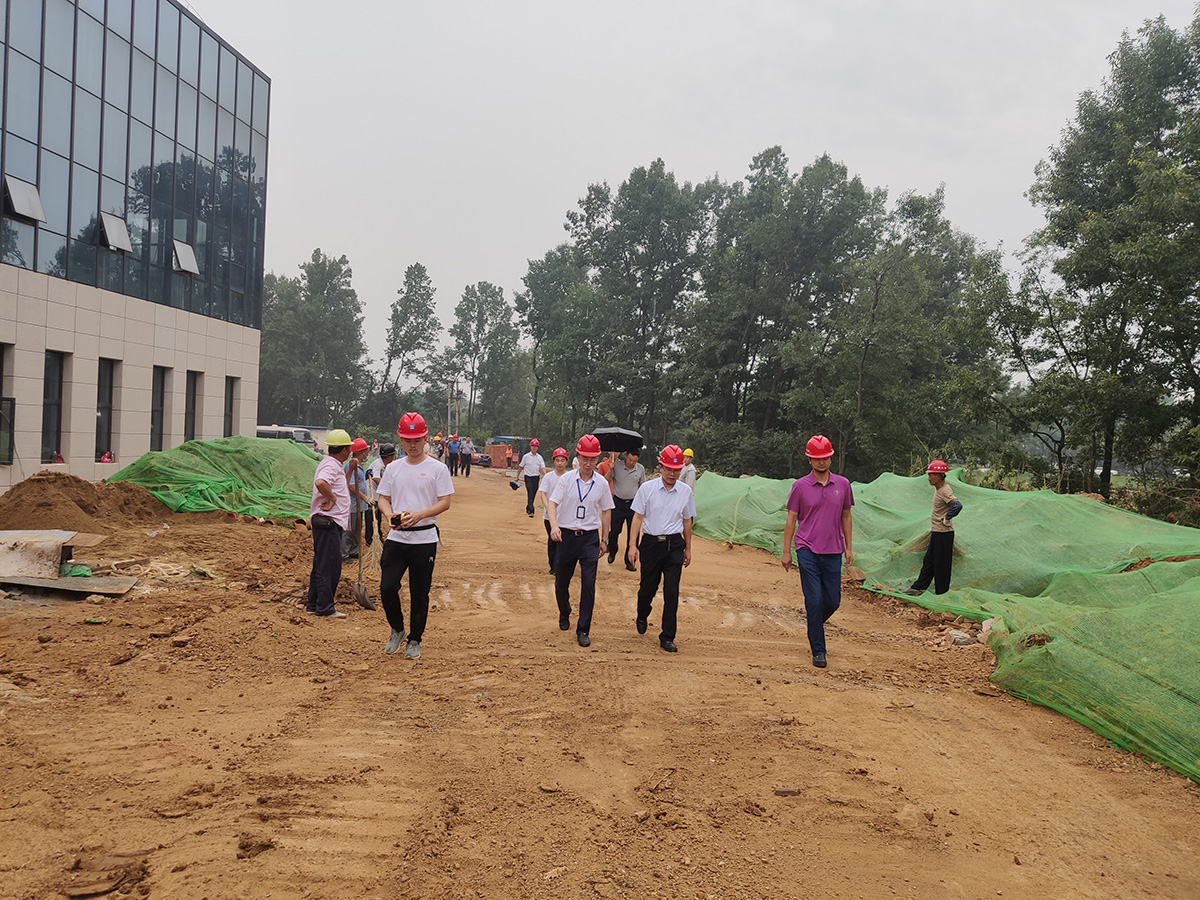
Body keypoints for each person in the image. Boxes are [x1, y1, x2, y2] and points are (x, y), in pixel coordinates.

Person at [375, 413, 454, 660]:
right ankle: (397, 629)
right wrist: (388, 514)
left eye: (417, 440)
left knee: (420, 592)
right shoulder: (393, 468)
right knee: (387, 587)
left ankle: (415, 639)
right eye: (408, 440)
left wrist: (420, 515)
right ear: (400, 439)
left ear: (425, 439)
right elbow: (382, 498)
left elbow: (445, 502)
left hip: (424, 539)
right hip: (397, 538)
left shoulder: (437, 469)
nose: (413, 445)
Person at [781, 434, 854, 668]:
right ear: (809, 460)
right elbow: (791, 518)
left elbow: (846, 516)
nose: (821, 462)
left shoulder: (843, 485)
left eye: (825, 458)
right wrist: (787, 551)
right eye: (817, 458)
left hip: (833, 550)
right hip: (807, 549)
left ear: (831, 458)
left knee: (832, 601)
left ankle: (814, 624)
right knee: (814, 599)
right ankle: (819, 650)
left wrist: (849, 547)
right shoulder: (800, 487)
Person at [627, 445, 695, 653]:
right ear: (661, 468)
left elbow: (687, 521)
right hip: (651, 545)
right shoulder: (647, 489)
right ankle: (642, 613)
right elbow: (637, 517)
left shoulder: (685, 492)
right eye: (668, 469)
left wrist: (688, 548)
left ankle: (667, 636)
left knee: (671, 591)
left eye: (676, 470)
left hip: (674, 545)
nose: (672, 474)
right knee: (647, 588)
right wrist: (632, 546)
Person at [547, 434, 614, 647]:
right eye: (584, 458)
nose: (588, 463)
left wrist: (605, 539)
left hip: (589, 539)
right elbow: (552, 504)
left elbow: (607, 511)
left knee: (588, 584)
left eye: (592, 459)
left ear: (598, 459)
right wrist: (554, 526)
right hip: (567, 537)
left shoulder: (601, 483)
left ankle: (583, 629)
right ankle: (564, 610)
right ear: (577, 456)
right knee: (561, 582)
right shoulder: (566, 480)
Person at [306, 428, 353, 619]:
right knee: (330, 565)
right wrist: (332, 498)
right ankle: (324, 606)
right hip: (328, 523)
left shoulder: (332, 464)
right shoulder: (331, 466)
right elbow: (320, 483)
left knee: (322, 563)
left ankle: (313, 603)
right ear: (344, 450)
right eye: (349, 448)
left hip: (329, 522)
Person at [904, 460, 962, 596]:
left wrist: (947, 518)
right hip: (937, 531)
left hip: (944, 533)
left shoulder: (945, 490)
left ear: (939, 476)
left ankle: (942, 592)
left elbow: (957, 505)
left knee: (941, 564)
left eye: (931, 475)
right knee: (929, 561)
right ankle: (918, 587)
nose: (929, 478)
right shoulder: (939, 489)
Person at [607, 447, 646, 571]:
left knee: (633, 533)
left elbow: (642, 486)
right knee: (614, 531)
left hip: (633, 504)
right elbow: (606, 480)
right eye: (629, 460)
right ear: (626, 456)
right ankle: (612, 550)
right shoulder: (616, 466)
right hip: (618, 503)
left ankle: (629, 561)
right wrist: (610, 469)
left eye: (634, 461)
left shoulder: (640, 469)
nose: (631, 463)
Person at [537, 447, 571, 575]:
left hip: (565, 516)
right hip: (549, 516)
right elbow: (543, 493)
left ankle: (562, 564)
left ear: (566, 462)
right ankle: (553, 565)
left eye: (562, 460)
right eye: (557, 460)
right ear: (553, 461)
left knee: (564, 542)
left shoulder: (569, 477)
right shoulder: (548, 477)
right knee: (553, 541)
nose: (560, 463)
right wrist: (548, 508)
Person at [342, 438, 373, 560]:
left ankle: (354, 551)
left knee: (357, 528)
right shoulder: (351, 466)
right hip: (353, 504)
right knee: (349, 530)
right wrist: (365, 498)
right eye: (366, 451)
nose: (367, 454)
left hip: (359, 505)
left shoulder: (360, 466)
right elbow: (351, 486)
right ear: (361, 452)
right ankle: (344, 554)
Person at [369, 443, 396, 537]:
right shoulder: (378, 464)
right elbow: (376, 478)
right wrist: (386, 490)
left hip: (378, 494)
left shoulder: (386, 465)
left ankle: (379, 534)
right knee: (373, 517)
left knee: (378, 516)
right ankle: (371, 537)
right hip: (372, 494)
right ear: (389, 456)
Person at [518, 439, 547, 517]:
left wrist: (545, 475)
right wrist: (517, 477)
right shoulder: (526, 457)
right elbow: (520, 466)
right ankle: (531, 511)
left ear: (538, 448)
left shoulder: (539, 457)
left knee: (533, 493)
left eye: (536, 446)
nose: (534, 448)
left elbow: (542, 467)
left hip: (536, 478)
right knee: (530, 492)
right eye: (533, 446)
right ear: (530, 447)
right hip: (528, 477)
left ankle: (528, 506)